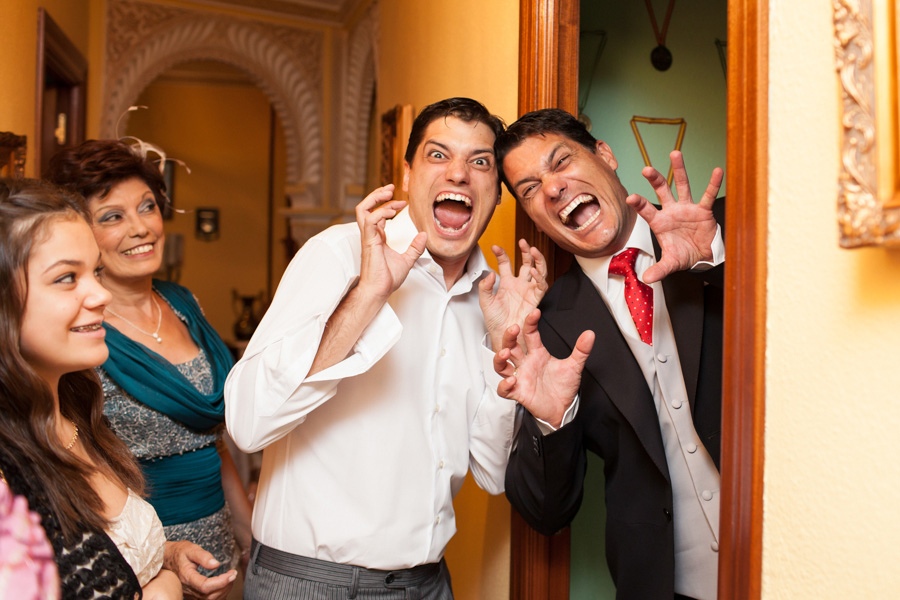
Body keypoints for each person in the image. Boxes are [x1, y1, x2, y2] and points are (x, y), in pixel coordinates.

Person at [225, 97, 547, 600]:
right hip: (309, 584)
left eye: (480, 161)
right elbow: (249, 424)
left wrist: (508, 350)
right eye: (438, 155)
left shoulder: (491, 297)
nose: (458, 173)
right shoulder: (338, 253)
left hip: (425, 584)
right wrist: (369, 295)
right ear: (408, 173)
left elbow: (491, 472)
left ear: (496, 194)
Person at [493, 108, 725, 600]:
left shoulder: (719, 233)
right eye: (530, 188)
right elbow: (546, 514)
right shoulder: (548, 325)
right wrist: (551, 422)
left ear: (605, 154)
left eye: (561, 162)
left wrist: (715, 261)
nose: (553, 188)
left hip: (795, 558)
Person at [48, 140, 252, 599]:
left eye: (147, 207)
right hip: (140, 560)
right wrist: (159, 556)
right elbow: (69, 468)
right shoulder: (79, 331)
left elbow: (211, 443)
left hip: (218, 547)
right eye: (112, 217)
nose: (140, 227)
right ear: (80, 232)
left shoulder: (184, 304)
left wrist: (248, 540)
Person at [0, 178, 181, 598]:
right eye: (67, 277)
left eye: (96, 271)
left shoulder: (78, 411)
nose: (101, 294)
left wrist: (166, 563)